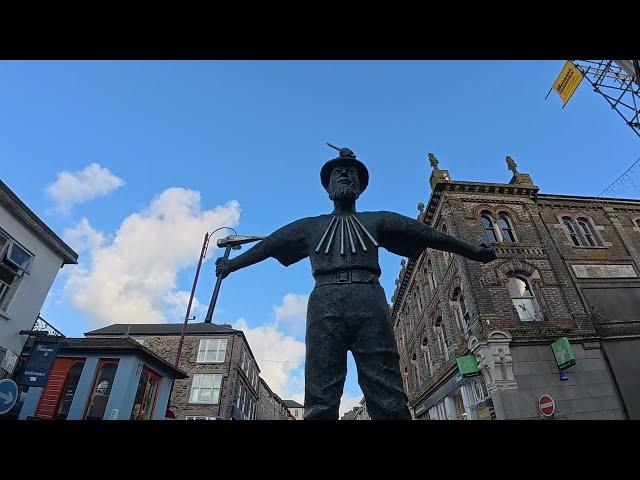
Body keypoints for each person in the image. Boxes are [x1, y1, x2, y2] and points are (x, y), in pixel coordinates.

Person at [216, 146, 496, 420]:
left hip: (368, 298)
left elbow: (431, 235)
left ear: (361, 187)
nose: (345, 176)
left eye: (351, 173)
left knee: (385, 387)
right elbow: (268, 245)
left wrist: (474, 251)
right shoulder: (310, 226)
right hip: (324, 301)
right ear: (327, 188)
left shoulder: (377, 220)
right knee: (320, 390)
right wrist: (231, 265)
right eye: (337, 173)